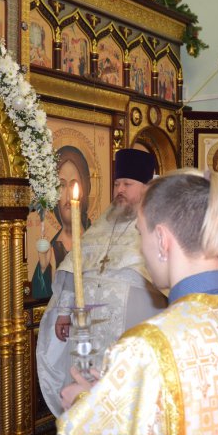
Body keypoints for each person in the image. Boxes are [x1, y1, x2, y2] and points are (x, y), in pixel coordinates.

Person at [54, 169, 218, 435]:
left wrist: (87, 406)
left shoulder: (147, 347)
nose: (141, 249)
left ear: (162, 239)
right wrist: (119, 398)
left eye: (140, 234)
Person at [36, 148, 167, 417]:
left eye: (127, 184)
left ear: (146, 187)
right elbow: (74, 267)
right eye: (117, 184)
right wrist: (64, 311)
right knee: (86, 396)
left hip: (132, 325)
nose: (120, 190)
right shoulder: (105, 222)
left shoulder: (158, 224)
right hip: (88, 329)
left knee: (127, 399)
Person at [32, 146, 92, 299]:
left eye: (74, 184)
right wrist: (44, 269)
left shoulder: (96, 239)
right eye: (62, 185)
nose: (68, 196)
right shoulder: (52, 249)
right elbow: (40, 299)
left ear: (83, 189)